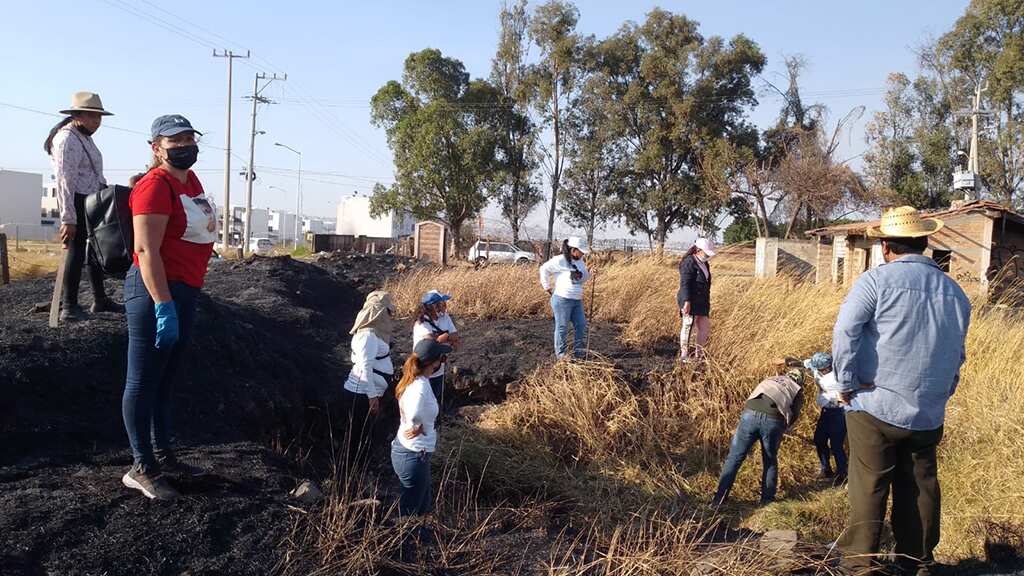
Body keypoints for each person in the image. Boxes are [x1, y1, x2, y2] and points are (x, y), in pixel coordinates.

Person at [832, 206, 971, 575]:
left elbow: (845, 331)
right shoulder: (956, 294)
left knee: (869, 485)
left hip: (875, 405)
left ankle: (861, 564)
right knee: (920, 487)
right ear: (924, 244)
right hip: (927, 412)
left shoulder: (875, 282)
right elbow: (958, 353)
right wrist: (942, 392)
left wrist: (845, 384)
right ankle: (917, 562)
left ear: (885, 247)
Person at [121, 115, 217, 500]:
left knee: (166, 379)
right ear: (156, 147)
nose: (184, 145)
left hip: (186, 289)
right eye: (174, 140)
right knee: (142, 380)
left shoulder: (190, 182)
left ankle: (164, 455)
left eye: (189, 138)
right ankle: (141, 466)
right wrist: (164, 305)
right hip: (153, 291)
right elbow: (146, 251)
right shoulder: (153, 187)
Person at [44, 91, 122, 321]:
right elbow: (64, 180)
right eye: (91, 116)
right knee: (75, 252)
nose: (96, 122)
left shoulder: (83, 136)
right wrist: (68, 218)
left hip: (90, 200)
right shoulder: (67, 139)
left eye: (99, 117)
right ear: (77, 115)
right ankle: (69, 306)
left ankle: (100, 300)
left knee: (94, 251)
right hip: (76, 200)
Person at [712, 364, 805, 506]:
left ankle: (719, 499)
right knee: (770, 460)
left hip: (749, 415)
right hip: (773, 420)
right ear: (799, 380)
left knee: (734, 458)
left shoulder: (771, 378)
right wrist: (784, 428)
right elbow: (794, 415)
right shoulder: (797, 389)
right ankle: (767, 501)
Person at [392, 338, 450, 517]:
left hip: (410, 453)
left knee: (422, 504)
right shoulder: (421, 387)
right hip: (412, 455)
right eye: (442, 358)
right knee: (411, 509)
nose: (443, 361)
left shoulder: (413, 379)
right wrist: (417, 425)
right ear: (433, 362)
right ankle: (407, 541)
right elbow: (415, 411)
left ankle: (417, 538)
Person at [343, 291, 395, 460]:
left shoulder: (371, 334)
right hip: (361, 395)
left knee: (360, 435)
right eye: (388, 312)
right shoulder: (368, 336)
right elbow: (365, 366)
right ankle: (352, 472)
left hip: (363, 394)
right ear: (380, 312)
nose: (391, 316)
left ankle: (355, 470)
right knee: (357, 436)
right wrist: (372, 397)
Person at [539, 237, 590, 359]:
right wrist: (547, 287)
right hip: (562, 299)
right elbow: (543, 269)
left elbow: (581, 279)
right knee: (562, 327)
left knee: (581, 325)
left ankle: (579, 353)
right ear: (573, 249)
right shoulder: (560, 260)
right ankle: (561, 355)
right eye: (581, 251)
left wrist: (589, 273)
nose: (582, 254)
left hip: (577, 300)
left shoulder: (580, 261)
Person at [802, 352, 848, 485]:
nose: (817, 371)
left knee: (836, 445)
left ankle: (842, 474)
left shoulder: (834, 378)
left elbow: (836, 398)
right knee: (819, 439)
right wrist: (784, 361)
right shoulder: (818, 367)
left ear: (827, 368)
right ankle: (826, 469)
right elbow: (806, 364)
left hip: (839, 412)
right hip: (826, 412)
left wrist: (825, 396)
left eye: (820, 369)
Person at [412, 290, 460, 403]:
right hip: (424, 370)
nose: (445, 305)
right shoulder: (422, 322)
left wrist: (445, 337)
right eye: (442, 302)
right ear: (434, 306)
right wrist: (448, 338)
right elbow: (430, 341)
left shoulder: (444, 317)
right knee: (424, 402)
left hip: (438, 369)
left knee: (436, 401)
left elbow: (455, 335)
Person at [677, 238, 715, 363]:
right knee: (688, 325)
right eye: (706, 253)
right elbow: (685, 283)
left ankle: (699, 355)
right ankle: (684, 355)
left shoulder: (704, 263)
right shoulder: (689, 262)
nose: (708, 256)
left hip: (702, 301)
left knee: (704, 327)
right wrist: (687, 301)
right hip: (690, 299)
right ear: (698, 250)